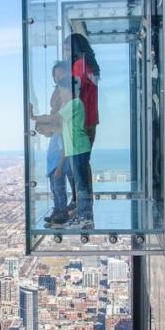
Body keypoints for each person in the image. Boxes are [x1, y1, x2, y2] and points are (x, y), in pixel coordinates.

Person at [33, 76, 93, 229]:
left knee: (81, 185)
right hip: (76, 149)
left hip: (79, 148)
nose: (60, 94)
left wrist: (33, 117)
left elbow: (54, 118)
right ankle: (82, 216)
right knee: (79, 185)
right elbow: (60, 128)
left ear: (69, 90)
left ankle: (85, 217)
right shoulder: (72, 105)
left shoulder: (74, 104)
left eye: (61, 90)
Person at [30, 62, 71, 226]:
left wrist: (35, 118)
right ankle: (57, 210)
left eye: (61, 74)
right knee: (55, 187)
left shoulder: (69, 102)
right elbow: (55, 120)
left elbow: (57, 119)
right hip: (57, 144)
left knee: (59, 186)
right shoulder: (60, 96)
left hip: (62, 144)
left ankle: (61, 212)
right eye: (56, 75)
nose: (58, 77)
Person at [64, 33, 100, 211]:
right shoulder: (90, 67)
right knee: (82, 164)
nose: (66, 54)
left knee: (76, 167)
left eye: (68, 49)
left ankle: (81, 205)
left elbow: (73, 94)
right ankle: (84, 202)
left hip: (80, 122)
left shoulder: (79, 66)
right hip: (91, 121)